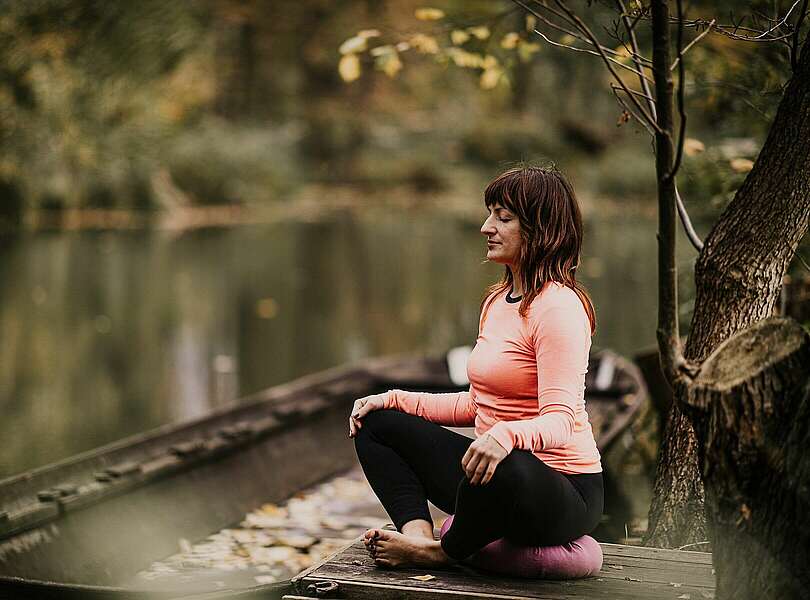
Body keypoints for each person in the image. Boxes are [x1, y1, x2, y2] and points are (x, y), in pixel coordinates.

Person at [348, 165, 603, 569]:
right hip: (491, 477)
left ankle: (442, 553)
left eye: (503, 218)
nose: (487, 227)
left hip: (560, 492)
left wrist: (504, 436)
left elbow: (560, 421)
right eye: (490, 214)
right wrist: (393, 399)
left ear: (540, 229)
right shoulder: (497, 301)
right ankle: (417, 537)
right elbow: (478, 405)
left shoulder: (559, 308)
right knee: (376, 424)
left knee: (506, 460)